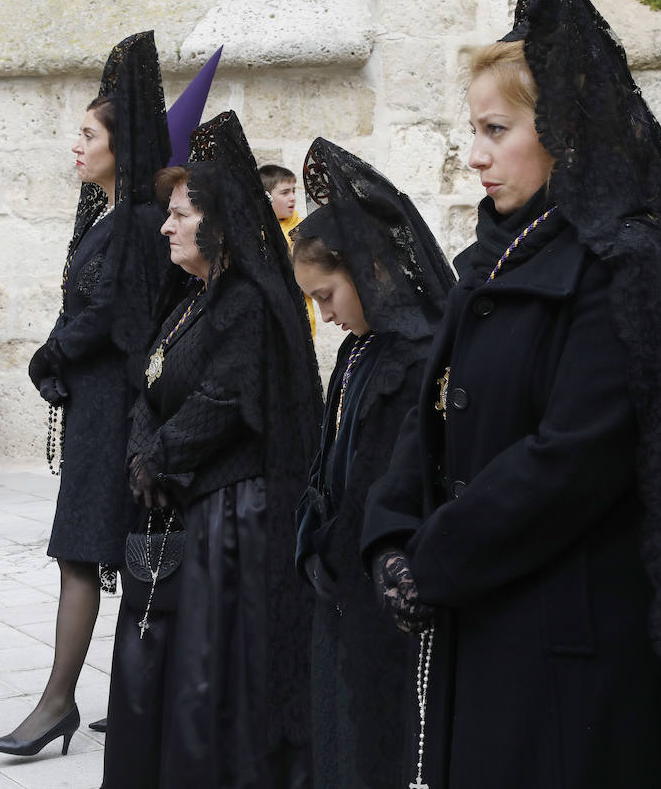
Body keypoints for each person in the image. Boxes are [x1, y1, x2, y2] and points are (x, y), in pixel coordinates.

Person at [362, 0, 661, 789]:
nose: (473, 156)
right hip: (486, 604)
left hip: (567, 635)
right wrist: (390, 533)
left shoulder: (626, 261)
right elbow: (430, 413)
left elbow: (573, 456)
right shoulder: (494, 254)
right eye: (470, 130)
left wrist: (435, 560)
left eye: (495, 131)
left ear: (563, 129)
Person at [102, 111, 323, 789]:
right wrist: (145, 454)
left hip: (230, 518)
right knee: (159, 670)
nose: (166, 227)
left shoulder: (248, 304)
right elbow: (148, 386)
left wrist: (163, 457)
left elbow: (225, 400)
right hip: (178, 509)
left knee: (209, 676)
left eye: (179, 215)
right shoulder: (189, 302)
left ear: (217, 221)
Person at [0, 31, 171, 758]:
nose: (76, 145)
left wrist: (51, 354)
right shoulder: (110, 220)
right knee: (94, 551)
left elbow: (113, 317)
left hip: (115, 412)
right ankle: (119, 699)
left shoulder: (142, 222)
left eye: (87, 134)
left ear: (121, 146)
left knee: (84, 553)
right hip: (96, 407)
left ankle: (58, 703)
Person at [292, 138, 455, 789]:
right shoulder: (357, 351)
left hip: (381, 588)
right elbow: (330, 456)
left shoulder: (413, 356)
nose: (323, 314)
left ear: (368, 269)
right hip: (336, 584)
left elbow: (392, 479)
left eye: (327, 294)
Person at [259, 162, 316, 336]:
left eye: (293, 191)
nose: (292, 197)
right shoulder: (255, 231)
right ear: (266, 196)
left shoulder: (303, 231)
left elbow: (312, 282)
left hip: (298, 321)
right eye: (285, 192)